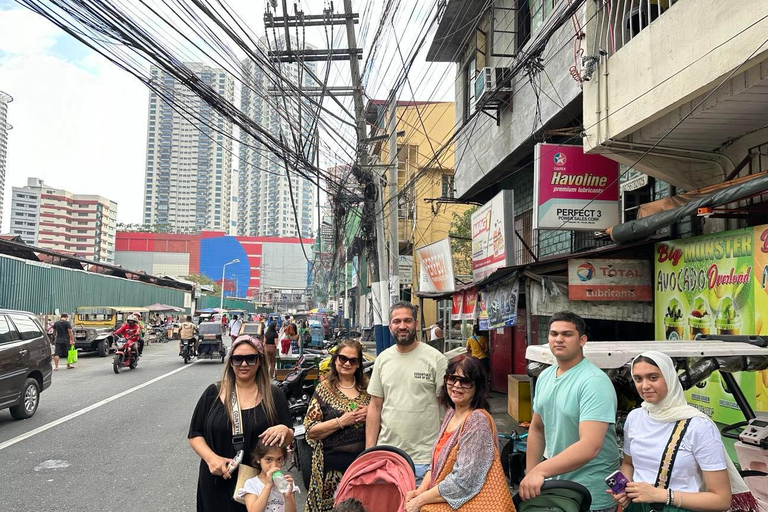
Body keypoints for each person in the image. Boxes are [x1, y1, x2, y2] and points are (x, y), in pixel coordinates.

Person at [609, 351, 756, 512]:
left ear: (670, 378)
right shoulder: (635, 417)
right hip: (637, 507)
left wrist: (662, 495)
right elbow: (628, 463)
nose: (644, 386)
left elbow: (721, 500)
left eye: (653, 377)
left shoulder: (698, 426)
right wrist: (624, 490)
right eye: (638, 379)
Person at [520, 311, 620, 512]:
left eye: (567, 334)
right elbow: (538, 429)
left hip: (591, 494)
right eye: (553, 334)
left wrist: (540, 470)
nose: (558, 339)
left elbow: (590, 445)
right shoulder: (546, 376)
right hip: (558, 489)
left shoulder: (594, 382)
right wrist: (531, 473)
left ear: (582, 340)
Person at [189, 335, 294, 512]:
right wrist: (211, 459)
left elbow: (289, 435)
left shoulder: (273, 394)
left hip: (258, 483)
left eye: (250, 359)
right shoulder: (213, 392)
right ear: (230, 362)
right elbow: (195, 434)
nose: (244, 364)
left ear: (259, 361)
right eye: (238, 359)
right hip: (216, 479)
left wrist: (284, 429)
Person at [404, 356, 514, 512]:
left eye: (465, 381)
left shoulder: (477, 422)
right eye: (452, 378)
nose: (456, 385)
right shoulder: (451, 413)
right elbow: (437, 465)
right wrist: (420, 490)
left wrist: (420, 501)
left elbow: (463, 481)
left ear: (478, 387)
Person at [366, 301, 448, 485]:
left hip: (425, 460)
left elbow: (447, 409)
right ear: (390, 327)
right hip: (387, 457)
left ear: (416, 324)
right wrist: (370, 452)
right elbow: (375, 406)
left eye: (407, 321)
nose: (402, 326)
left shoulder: (436, 359)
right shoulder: (382, 360)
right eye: (397, 321)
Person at [304, 339, 371, 512]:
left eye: (353, 360)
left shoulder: (369, 390)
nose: (347, 363)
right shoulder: (324, 389)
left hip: (361, 468)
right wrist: (342, 422)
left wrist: (371, 413)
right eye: (342, 358)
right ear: (335, 360)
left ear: (358, 365)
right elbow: (311, 431)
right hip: (330, 471)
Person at [239, 439, 299, 512]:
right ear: (258, 459)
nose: (274, 465)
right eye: (268, 459)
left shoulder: (286, 482)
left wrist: (288, 497)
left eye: (279, 459)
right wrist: (268, 485)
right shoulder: (251, 484)